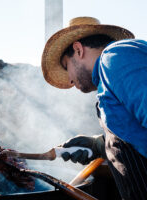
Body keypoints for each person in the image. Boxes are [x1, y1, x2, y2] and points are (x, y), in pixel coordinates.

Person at [41, 17, 147, 200]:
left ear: (78, 49)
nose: (69, 80)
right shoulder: (111, 71)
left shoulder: (115, 56)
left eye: (67, 67)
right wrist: (101, 144)